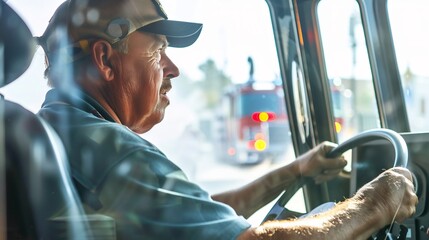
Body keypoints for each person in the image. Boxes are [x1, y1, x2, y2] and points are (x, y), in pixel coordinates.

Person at [36, 0, 418, 239]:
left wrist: (294, 170)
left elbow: (195, 214)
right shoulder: (109, 152)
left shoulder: (59, 132)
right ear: (105, 60)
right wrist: (374, 202)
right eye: (157, 52)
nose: (173, 70)